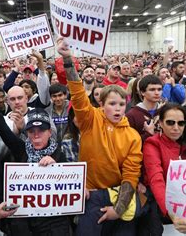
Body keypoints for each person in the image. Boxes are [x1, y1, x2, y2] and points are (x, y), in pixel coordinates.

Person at [57, 37, 143, 235]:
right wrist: (68, 60)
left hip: (118, 196)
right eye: (112, 104)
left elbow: (131, 174)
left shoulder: (132, 136)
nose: (117, 108)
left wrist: (118, 210)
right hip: (91, 195)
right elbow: (78, 94)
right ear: (102, 105)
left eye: (121, 104)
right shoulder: (90, 119)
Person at [0, 82, 72, 235]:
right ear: (27, 133)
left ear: (50, 132)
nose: (36, 134)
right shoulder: (21, 149)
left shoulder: (59, 153)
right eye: (31, 131)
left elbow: (72, 187)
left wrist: (56, 166)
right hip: (24, 217)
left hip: (53, 219)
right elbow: (1, 126)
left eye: (41, 130)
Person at [142, 103, 186, 235]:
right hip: (159, 205)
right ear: (160, 123)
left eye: (181, 123)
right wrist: (172, 213)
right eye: (170, 123)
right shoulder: (152, 144)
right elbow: (156, 179)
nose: (176, 128)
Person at [126, 75, 163, 143]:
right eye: (152, 89)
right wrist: (147, 134)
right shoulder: (132, 115)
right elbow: (129, 143)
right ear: (142, 92)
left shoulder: (165, 111)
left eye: (159, 89)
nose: (157, 93)